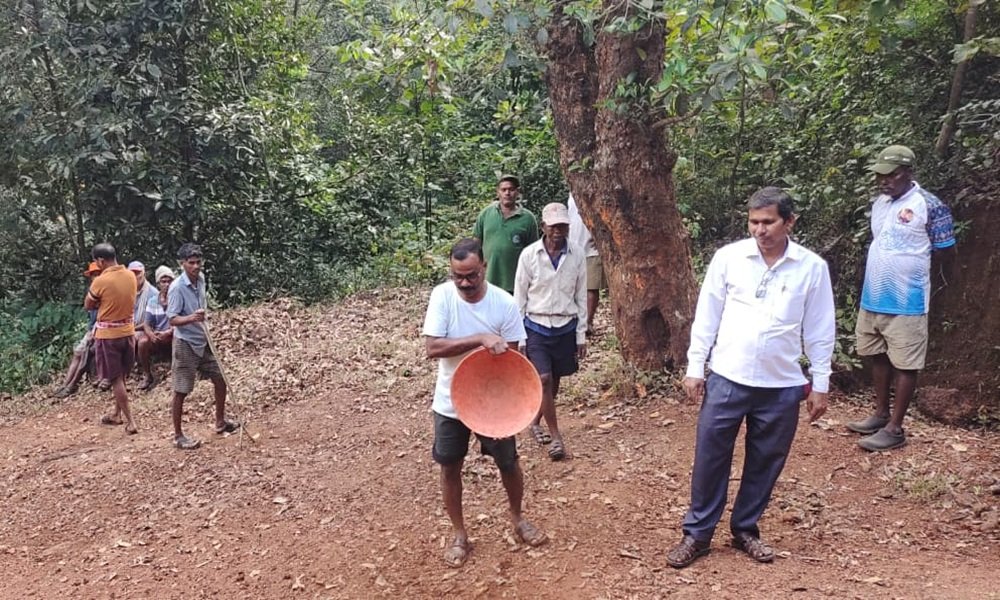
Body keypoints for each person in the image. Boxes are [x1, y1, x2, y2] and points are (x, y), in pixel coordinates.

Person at [667, 187, 835, 569]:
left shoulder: (811, 268)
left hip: (781, 384)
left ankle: (745, 528)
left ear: (789, 222)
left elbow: (820, 329)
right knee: (710, 457)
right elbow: (707, 315)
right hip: (728, 376)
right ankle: (698, 534)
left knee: (765, 460)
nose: (760, 230)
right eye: (754, 222)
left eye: (768, 222)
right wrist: (695, 366)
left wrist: (820, 384)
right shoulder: (729, 259)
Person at [423, 238, 548, 568]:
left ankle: (518, 519)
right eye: (458, 276)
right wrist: (480, 339)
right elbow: (433, 348)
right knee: (450, 466)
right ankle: (459, 535)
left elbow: (514, 361)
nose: (464, 283)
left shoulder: (503, 304)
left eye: (472, 275)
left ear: (485, 268)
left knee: (508, 462)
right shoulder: (442, 296)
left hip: (495, 401)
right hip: (450, 400)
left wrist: (514, 407)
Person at [847, 145, 956, 451]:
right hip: (874, 296)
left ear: (908, 172)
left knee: (905, 363)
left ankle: (895, 429)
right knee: (877, 354)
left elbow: (946, 250)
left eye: (891, 174)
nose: (884, 181)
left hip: (908, 299)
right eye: (880, 175)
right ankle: (880, 414)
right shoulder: (880, 203)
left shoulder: (929, 205)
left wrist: (930, 282)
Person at [513, 202, 587, 461]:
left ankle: (535, 422)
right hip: (536, 325)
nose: (558, 231)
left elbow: (581, 295)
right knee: (543, 378)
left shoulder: (577, 254)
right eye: (553, 226)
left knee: (554, 379)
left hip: (565, 326)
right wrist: (520, 335)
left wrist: (581, 334)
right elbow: (520, 296)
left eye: (563, 226)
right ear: (543, 227)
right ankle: (556, 437)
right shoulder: (529, 255)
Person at [167, 244, 238, 449]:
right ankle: (178, 436)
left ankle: (220, 421)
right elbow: (172, 319)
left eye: (198, 262)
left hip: (202, 337)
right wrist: (192, 318)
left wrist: (202, 320)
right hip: (185, 342)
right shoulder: (177, 288)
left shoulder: (201, 279)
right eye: (191, 263)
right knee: (181, 389)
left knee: (220, 378)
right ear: (182, 264)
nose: (196, 266)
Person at [84, 243, 139, 434]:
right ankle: (116, 413)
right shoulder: (130, 275)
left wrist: (101, 302)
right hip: (128, 332)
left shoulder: (100, 281)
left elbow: (88, 304)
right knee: (122, 376)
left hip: (109, 336)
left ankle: (131, 421)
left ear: (100, 260)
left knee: (115, 379)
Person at [472, 175, 539, 294]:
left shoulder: (528, 219)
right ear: (498, 192)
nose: (507, 193)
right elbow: (475, 244)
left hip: (516, 283)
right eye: (503, 190)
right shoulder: (486, 214)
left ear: (517, 192)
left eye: (511, 189)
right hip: (488, 281)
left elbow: (533, 252)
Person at [53, 262, 103, 398]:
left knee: (85, 353)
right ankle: (65, 384)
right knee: (78, 352)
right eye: (93, 275)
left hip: (103, 330)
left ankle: (72, 385)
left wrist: (94, 332)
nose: (96, 277)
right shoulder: (92, 291)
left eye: (98, 274)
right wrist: (89, 331)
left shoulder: (105, 290)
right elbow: (90, 317)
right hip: (92, 330)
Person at [567, 194, 605, 332]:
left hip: (592, 248)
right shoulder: (571, 196)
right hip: (573, 247)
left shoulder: (594, 192)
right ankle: (573, 320)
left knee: (591, 287)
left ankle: (587, 322)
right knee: (572, 286)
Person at [137, 266, 175, 391]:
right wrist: (151, 335)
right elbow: (147, 324)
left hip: (173, 335)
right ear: (158, 284)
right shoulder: (153, 301)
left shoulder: (178, 298)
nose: (167, 284)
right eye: (163, 281)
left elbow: (180, 321)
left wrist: (168, 332)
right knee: (142, 342)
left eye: (169, 281)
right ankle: (148, 375)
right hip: (158, 336)